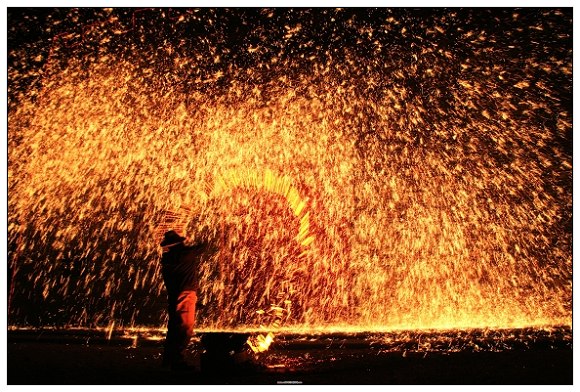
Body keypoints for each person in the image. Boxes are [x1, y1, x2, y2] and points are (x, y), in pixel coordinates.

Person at [159, 230, 208, 371]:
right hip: (185, 295)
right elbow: (203, 246)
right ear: (179, 243)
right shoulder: (185, 254)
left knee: (174, 328)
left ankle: (169, 360)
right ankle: (177, 362)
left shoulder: (167, 257)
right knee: (185, 328)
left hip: (176, 295)